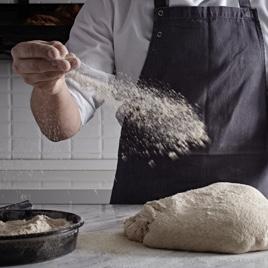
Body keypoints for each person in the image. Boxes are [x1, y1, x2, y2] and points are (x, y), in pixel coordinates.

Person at [11, 0, 268, 204]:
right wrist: (50, 86)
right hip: (146, 208)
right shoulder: (112, 5)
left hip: (254, 205)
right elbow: (57, 127)